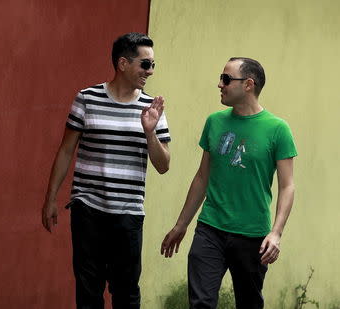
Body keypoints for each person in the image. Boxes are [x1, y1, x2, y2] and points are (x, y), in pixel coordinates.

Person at [42, 32, 171, 309]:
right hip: (87, 209)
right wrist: (51, 198)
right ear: (123, 63)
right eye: (145, 64)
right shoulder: (87, 98)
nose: (150, 71)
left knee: (126, 293)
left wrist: (150, 133)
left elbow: (163, 165)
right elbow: (66, 150)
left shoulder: (151, 109)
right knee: (88, 290)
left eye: (153, 65)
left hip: (128, 213)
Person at [161, 57, 297, 309]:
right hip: (210, 229)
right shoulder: (215, 122)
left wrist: (276, 233)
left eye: (225, 79)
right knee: (200, 303)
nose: (219, 84)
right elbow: (203, 176)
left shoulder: (278, 129)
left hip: (252, 235)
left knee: (249, 303)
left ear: (248, 84)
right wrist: (182, 224)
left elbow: (287, 186)